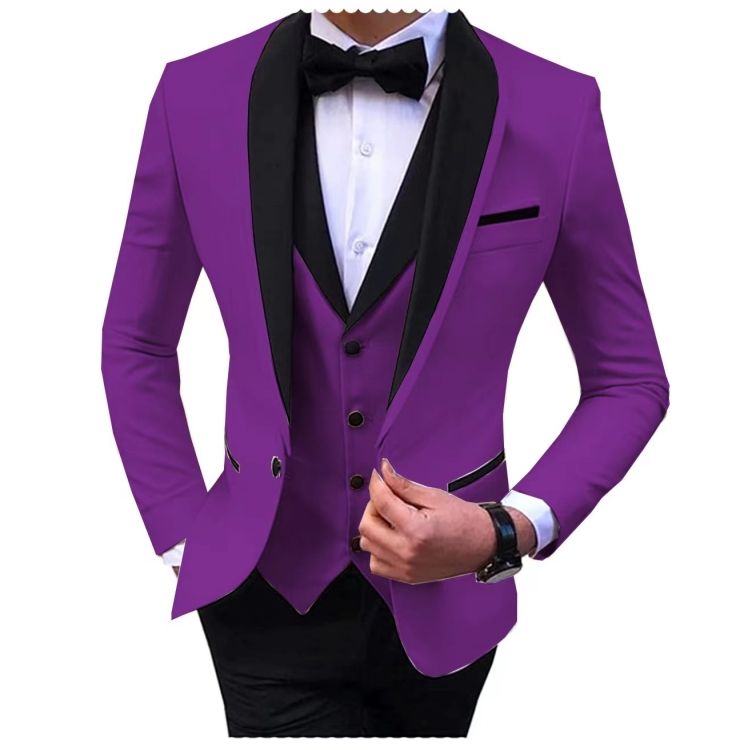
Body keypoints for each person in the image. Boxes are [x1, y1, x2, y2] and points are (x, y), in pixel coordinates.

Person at [101, 8, 670, 738]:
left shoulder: (558, 108)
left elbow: (628, 378)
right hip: (261, 587)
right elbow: (138, 342)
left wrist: (504, 529)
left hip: (451, 596)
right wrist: (185, 535)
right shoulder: (195, 94)